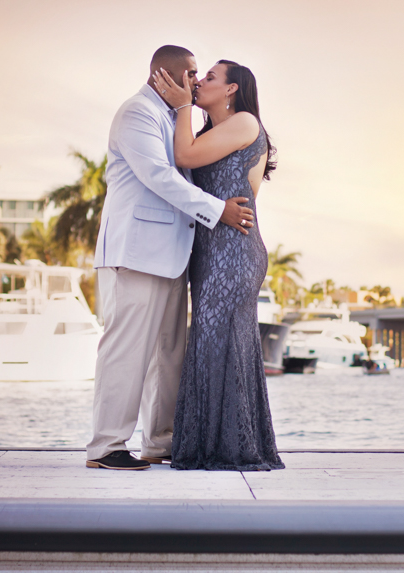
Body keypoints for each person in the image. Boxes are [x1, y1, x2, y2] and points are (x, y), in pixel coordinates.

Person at [85, 46, 256, 471]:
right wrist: (219, 212)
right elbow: (160, 178)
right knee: (126, 351)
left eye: (202, 74)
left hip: (173, 257)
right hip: (137, 253)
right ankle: (106, 445)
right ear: (167, 73)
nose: (197, 81)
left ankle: (161, 441)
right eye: (193, 73)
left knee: (168, 354)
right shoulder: (137, 114)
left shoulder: (173, 117)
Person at [153, 60, 283, 471]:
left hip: (236, 251)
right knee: (211, 342)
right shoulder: (213, 131)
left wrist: (180, 107)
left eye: (210, 77)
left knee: (218, 342)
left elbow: (184, 154)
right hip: (208, 253)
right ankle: (208, 446)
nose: (199, 82)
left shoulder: (245, 122)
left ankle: (227, 448)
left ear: (231, 89)